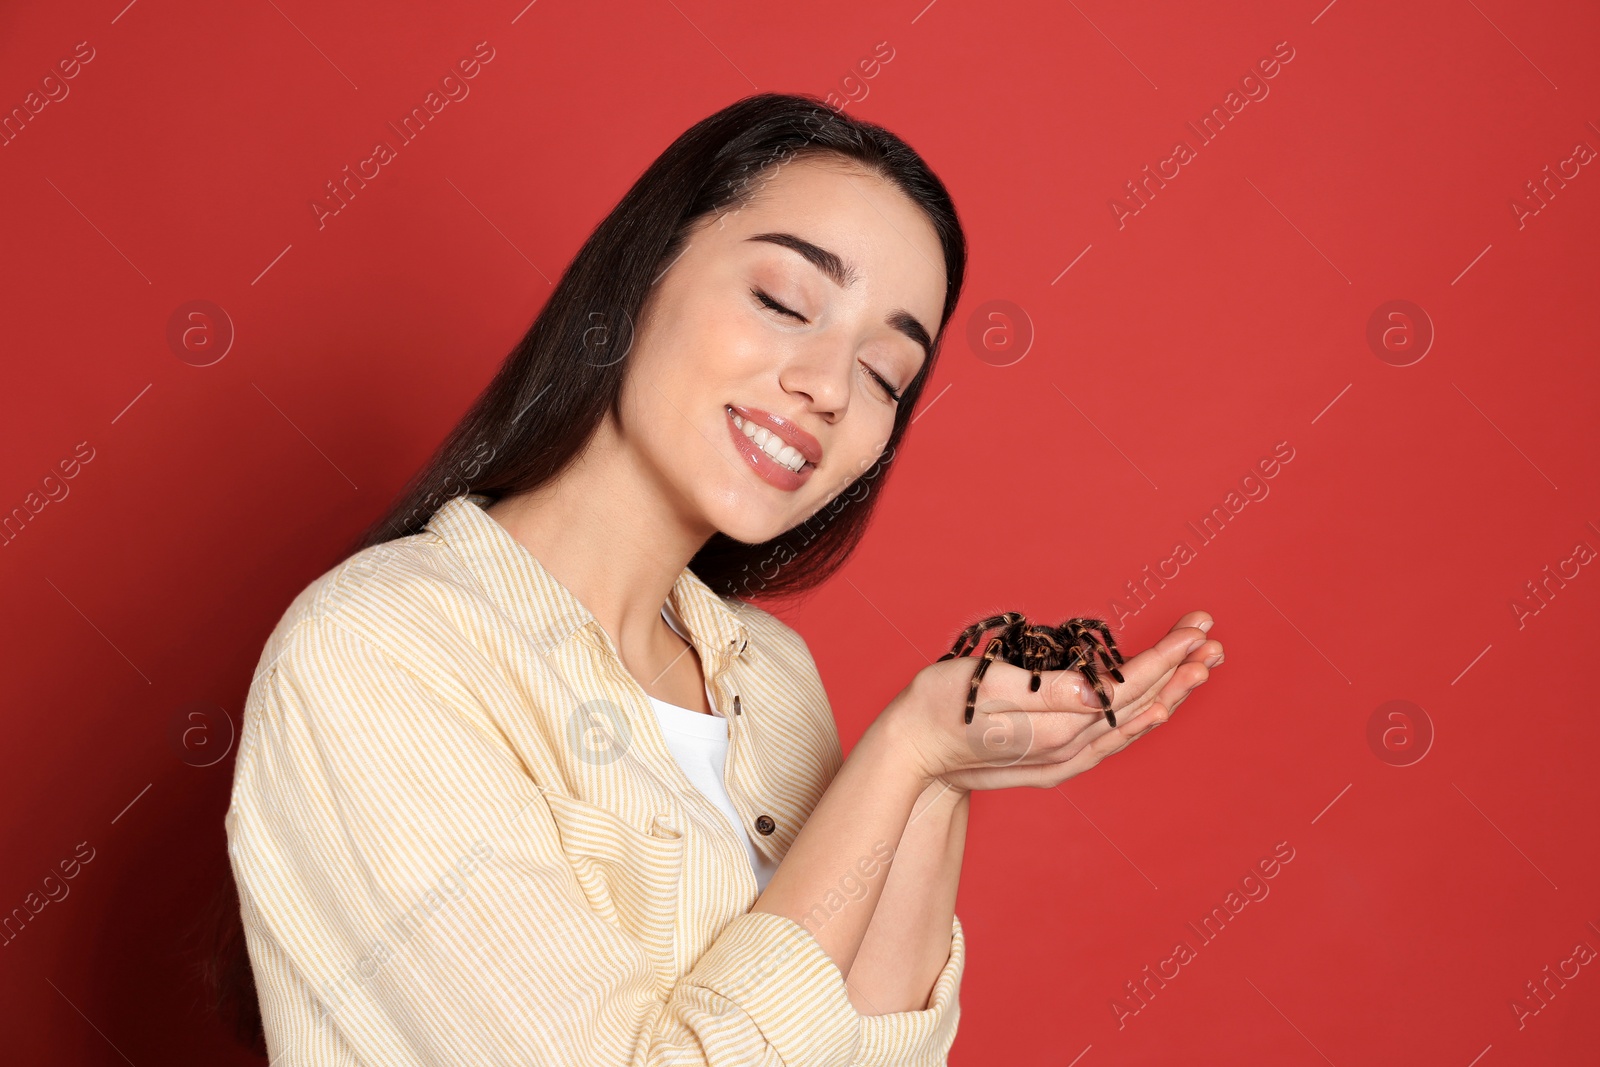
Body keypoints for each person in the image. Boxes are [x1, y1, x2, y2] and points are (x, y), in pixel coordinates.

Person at [218, 92, 1223, 1065]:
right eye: (787, 302)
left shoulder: (770, 676)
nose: (828, 387)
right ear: (638, 275)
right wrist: (898, 749)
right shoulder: (377, 651)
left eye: (884, 375)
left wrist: (933, 775)